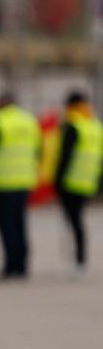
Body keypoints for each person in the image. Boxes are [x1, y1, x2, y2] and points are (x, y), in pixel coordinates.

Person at [0, 91, 41, 280]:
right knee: (20, 224)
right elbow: (38, 149)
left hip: (2, 182)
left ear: (2, 103)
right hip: (24, 180)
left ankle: (10, 265)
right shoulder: (29, 121)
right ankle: (22, 265)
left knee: (6, 226)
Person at [55, 90, 102, 275]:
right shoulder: (95, 125)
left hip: (71, 180)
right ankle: (80, 260)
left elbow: (65, 156)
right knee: (78, 221)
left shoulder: (73, 125)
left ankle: (78, 261)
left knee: (74, 222)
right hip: (88, 180)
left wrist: (58, 179)